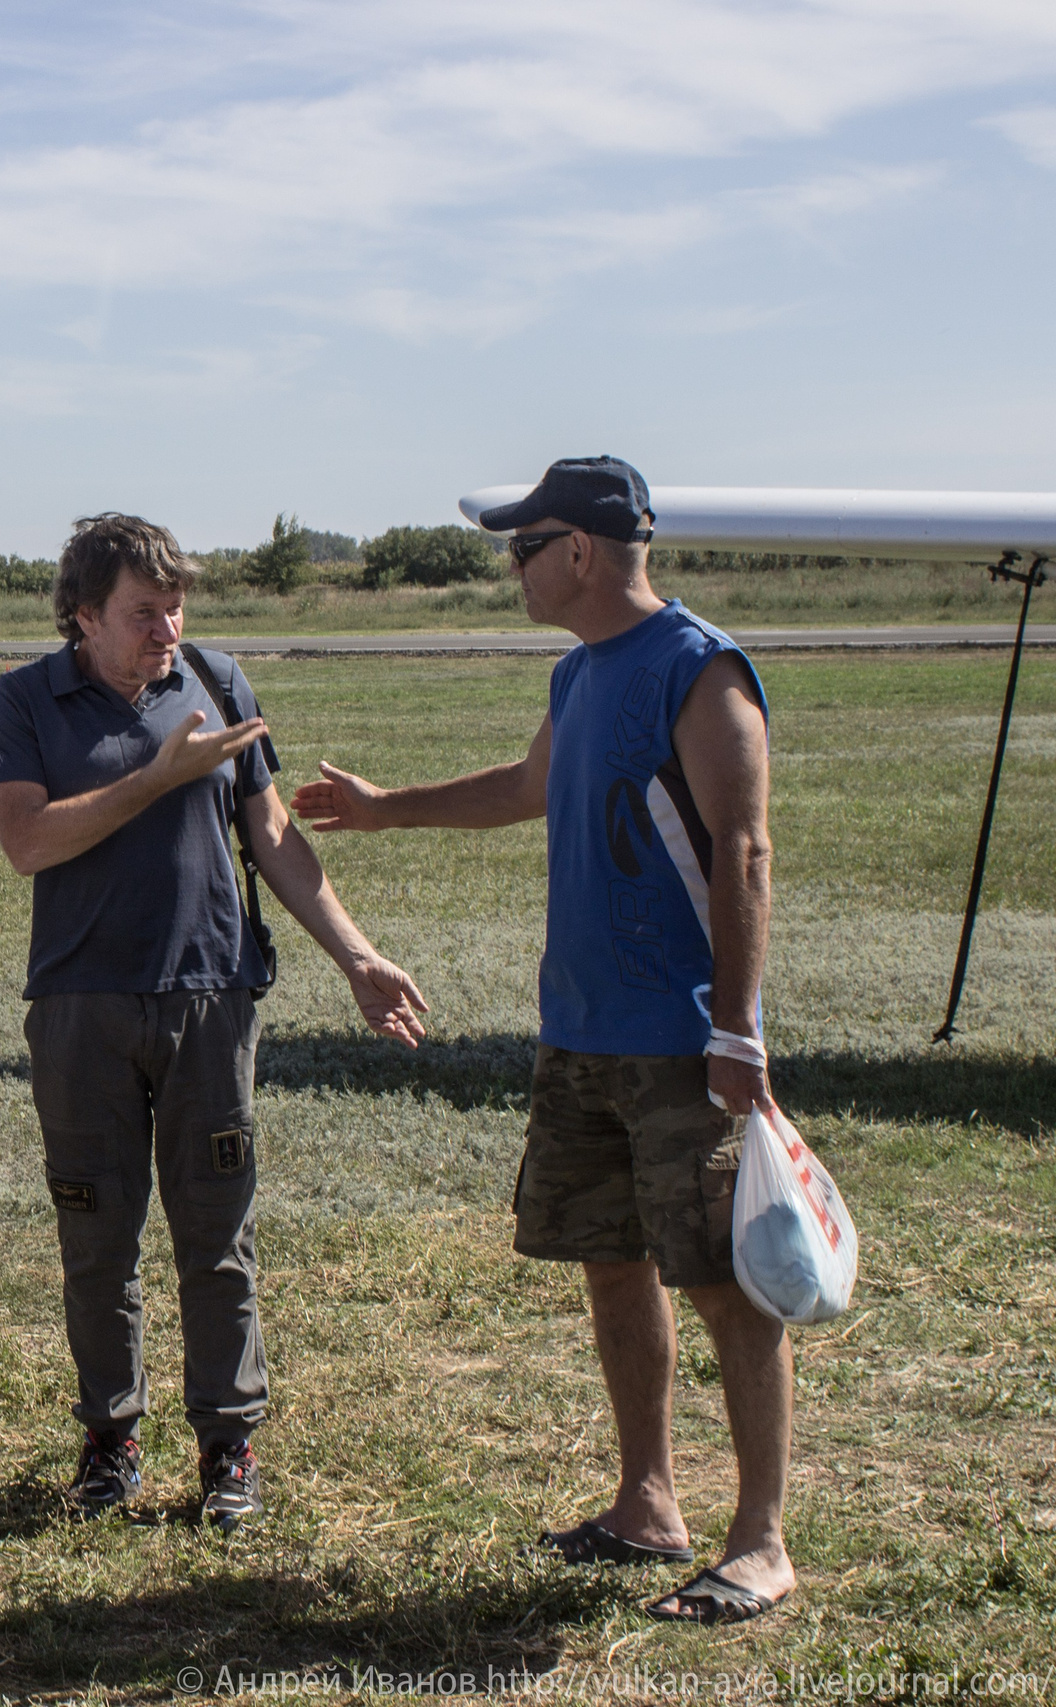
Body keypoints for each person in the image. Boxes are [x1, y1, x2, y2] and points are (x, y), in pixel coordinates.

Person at [291, 456, 793, 1625]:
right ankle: (647, 1503)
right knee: (610, 1260)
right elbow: (528, 785)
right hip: (577, 1035)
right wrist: (382, 809)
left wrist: (736, 1030)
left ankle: (761, 1539)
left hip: (679, 1042)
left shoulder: (699, 670)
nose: (511, 566)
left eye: (522, 546)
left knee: (723, 1283)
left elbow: (746, 853)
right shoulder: (578, 678)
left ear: (577, 551)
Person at [0, 512, 427, 1527]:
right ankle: (110, 1437)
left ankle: (228, 1447)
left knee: (216, 1239)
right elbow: (24, 842)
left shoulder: (218, 680)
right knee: (96, 1238)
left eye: (176, 605)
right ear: (85, 615)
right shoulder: (26, 700)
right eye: (144, 611)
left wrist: (355, 955)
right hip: (80, 1006)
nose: (167, 628)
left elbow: (269, 837)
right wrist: (154, 779)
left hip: (210, 999)